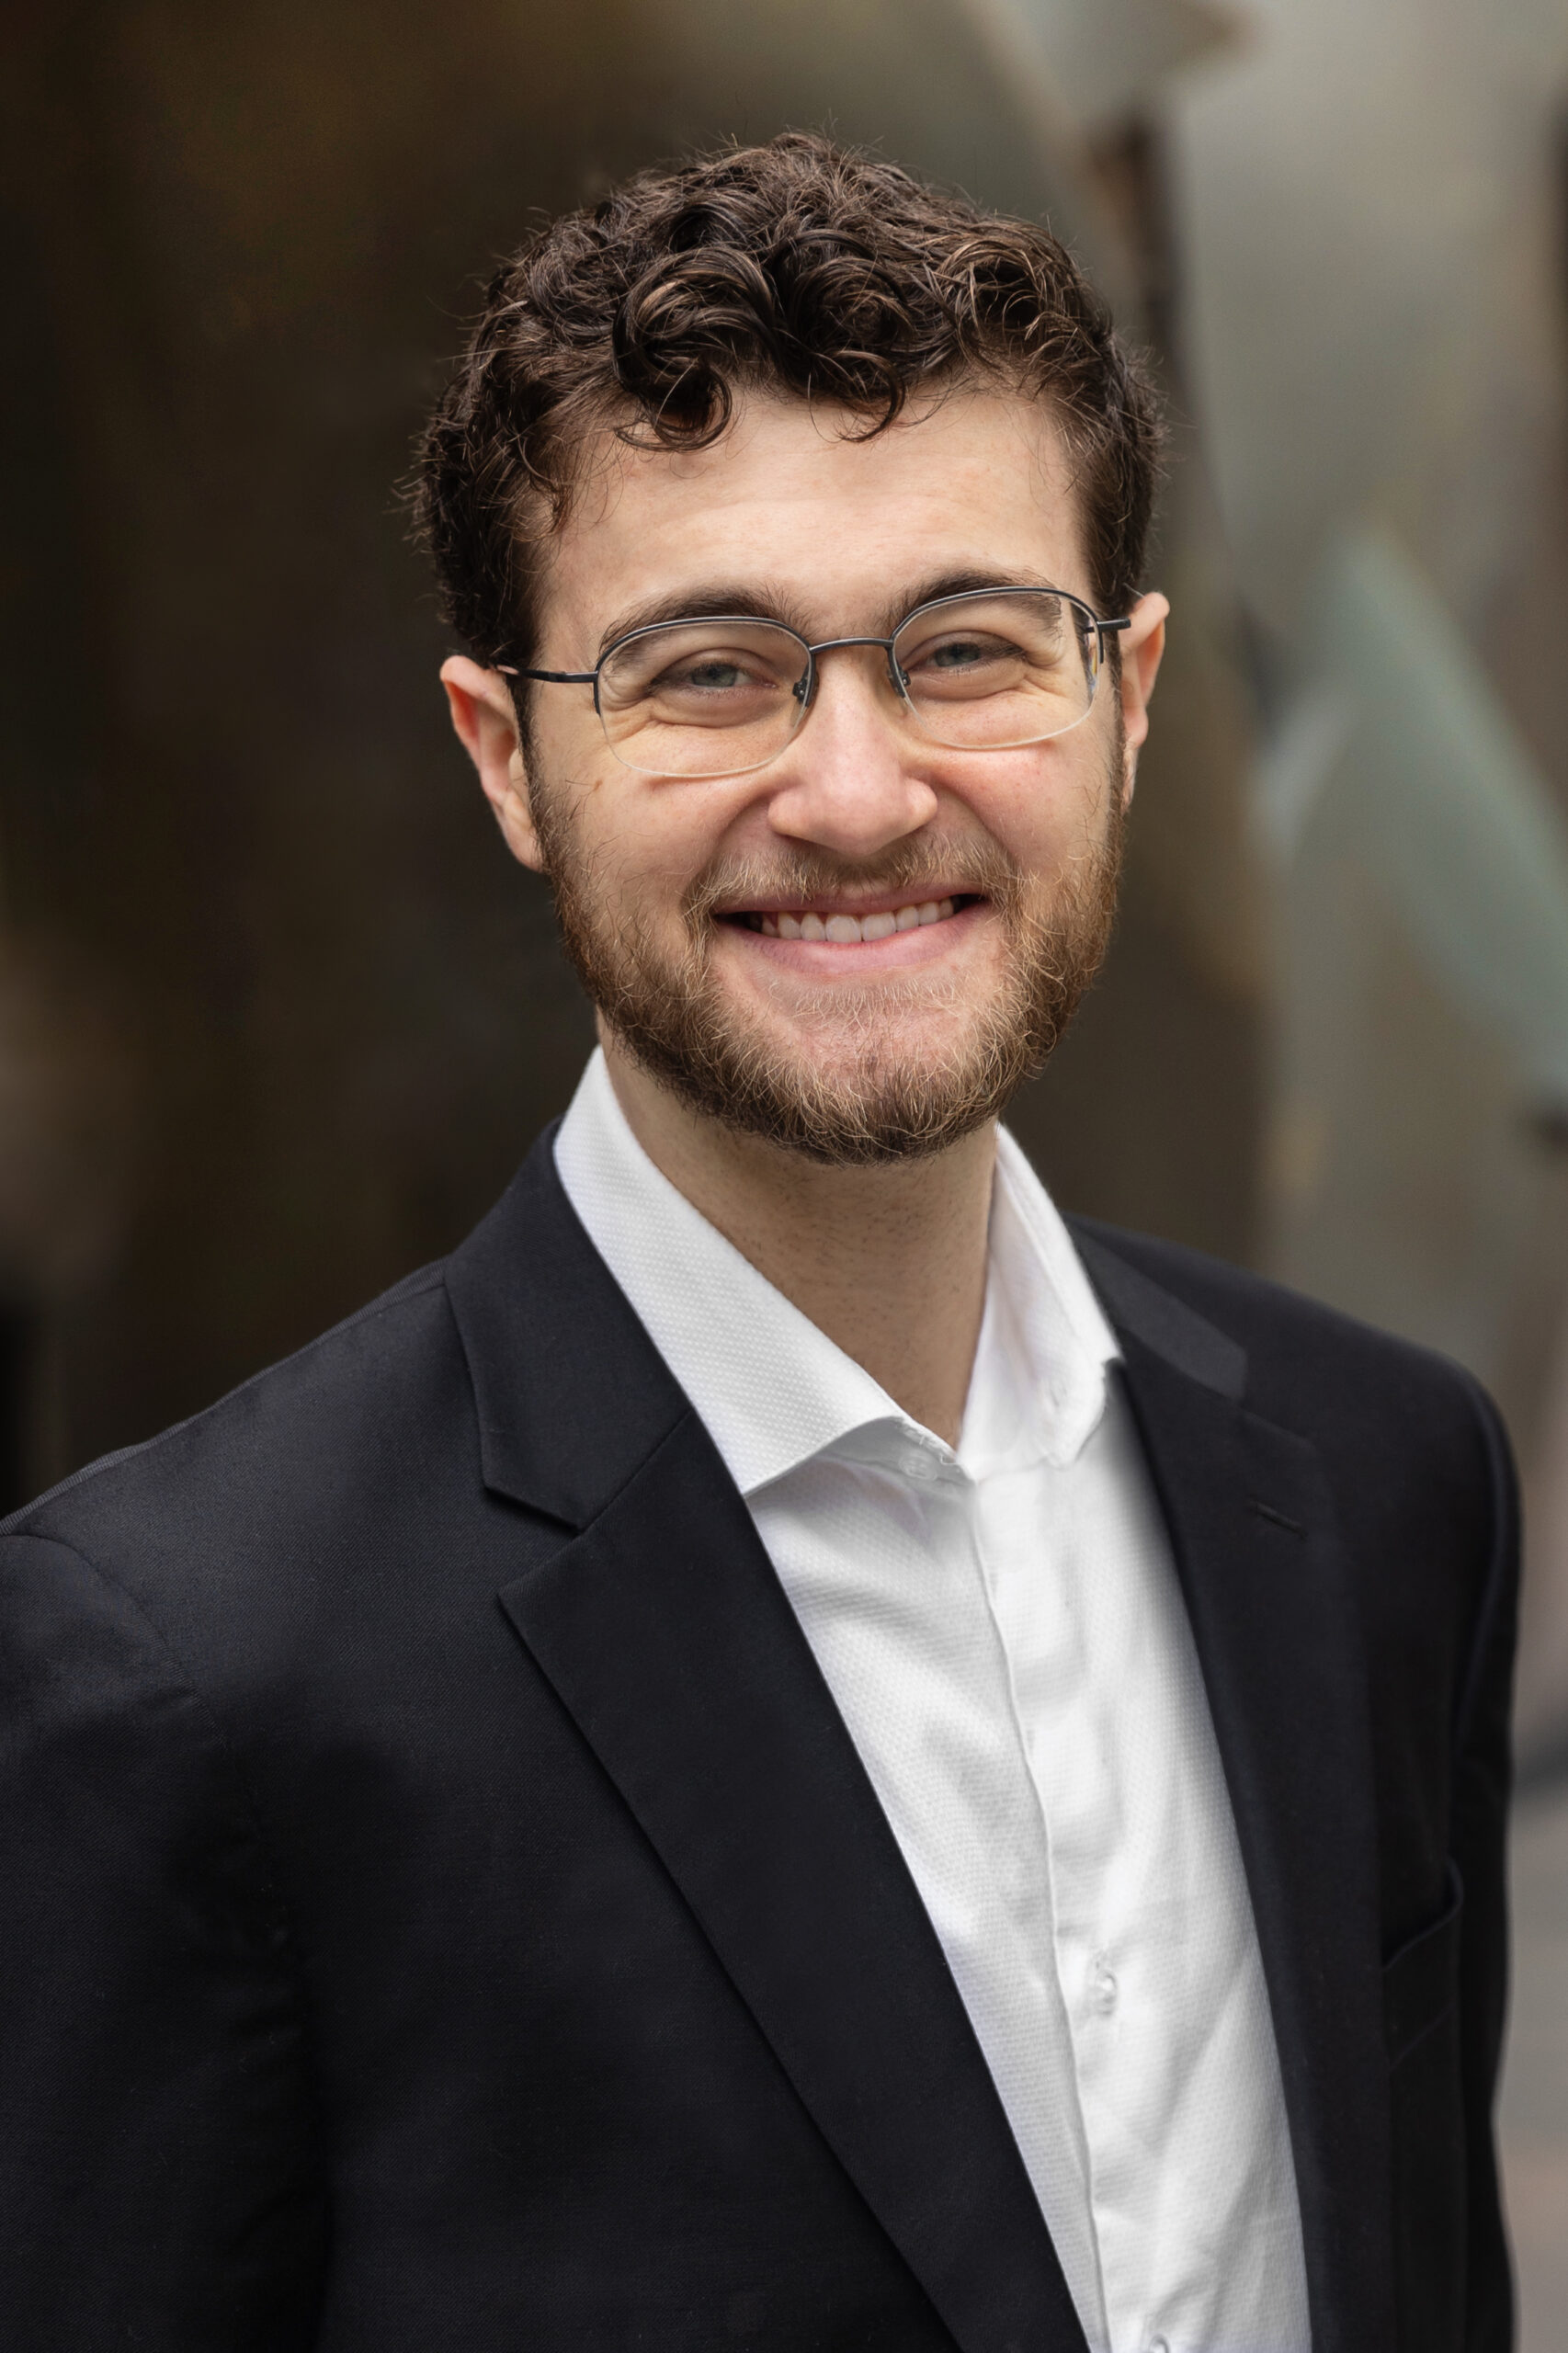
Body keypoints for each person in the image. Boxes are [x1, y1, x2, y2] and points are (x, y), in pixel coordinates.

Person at [0, 133, 1515, 2353]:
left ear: (1132, 695)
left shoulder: (1386, 1487)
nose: (857, 785)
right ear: (505, 757)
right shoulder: (181, 1673)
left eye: (967, 646)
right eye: (706, 670)